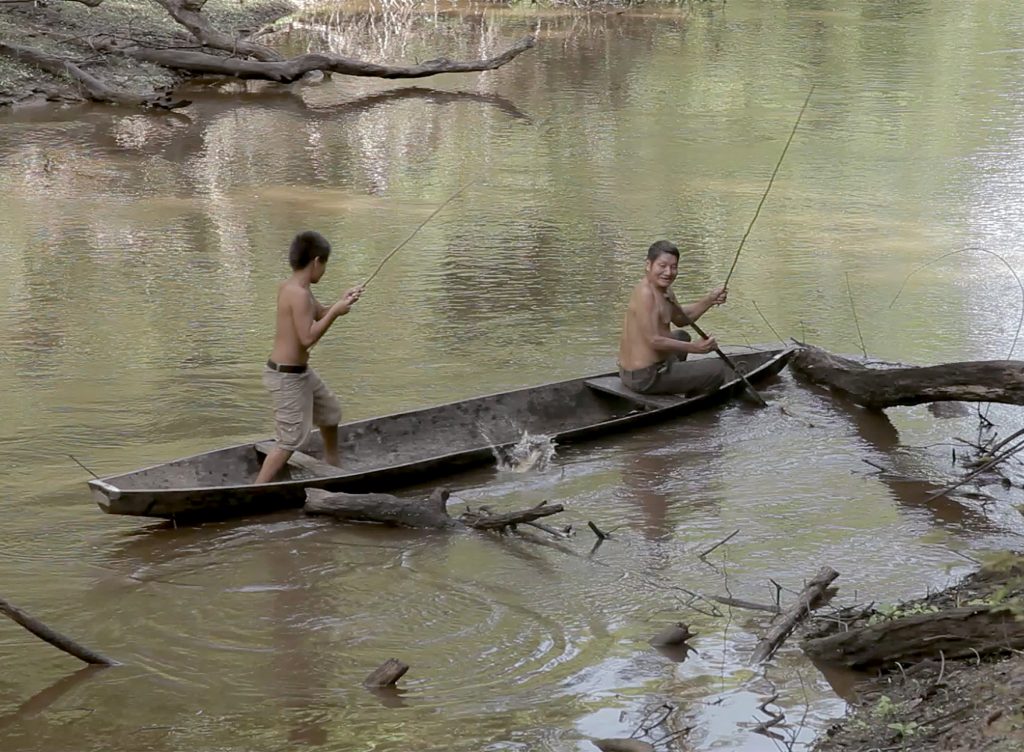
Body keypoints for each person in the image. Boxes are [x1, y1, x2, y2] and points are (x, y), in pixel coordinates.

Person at [255, 230, 363, 484]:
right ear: (316, 261)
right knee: (289, 440)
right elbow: (308, 338)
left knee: (331, 413)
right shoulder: (298, 294)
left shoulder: (295, 287)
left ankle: (333, 463)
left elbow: (317, 314)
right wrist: (335, 313)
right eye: (324, 264)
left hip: (301, 372)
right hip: (286, 377)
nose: (324, 271)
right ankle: (256, 489)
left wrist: (341, 302)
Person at [617, 240, 731, 396]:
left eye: (674, 267)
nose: (668, 272)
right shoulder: (645, 294)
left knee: (682, 336)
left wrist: (710, 300)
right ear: (648, 265)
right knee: (717, 369)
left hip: (648, 368)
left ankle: (676, 382)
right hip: (644, 377)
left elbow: (682, 319)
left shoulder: (665, 290)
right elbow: (653, 340)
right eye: (662, 266)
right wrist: (696, 348)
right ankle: (691, 405)